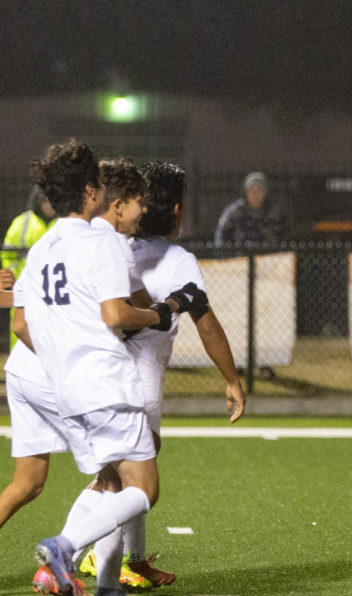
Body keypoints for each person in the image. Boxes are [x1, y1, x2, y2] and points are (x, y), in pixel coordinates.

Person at [14, 138, 208, 596]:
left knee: (114, 488)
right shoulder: (101, 240)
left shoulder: (42, 247)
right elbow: (117, 315)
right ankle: (65, 546)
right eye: (99, 181)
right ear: (89, 191)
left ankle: (107, 587)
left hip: (67, 390)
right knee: (143, 490)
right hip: (106, 382)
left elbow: (21, 321)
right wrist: (162, 314)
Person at [1, 185, 56, 348]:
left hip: (54, 291)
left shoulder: (62, 223)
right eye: (46, 201)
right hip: (24, 289)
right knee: (20, 329)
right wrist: (14, 279)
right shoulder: (21, 223)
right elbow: (8, 256)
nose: (50, 205)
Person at [213, 171, 285, 248]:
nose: (255, 194)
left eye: (259, 190)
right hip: (239, 256)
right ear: (245, 192)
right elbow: (220, 236)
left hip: (269, 257)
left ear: (265, 193)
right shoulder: (233, 212)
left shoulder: (275, 213)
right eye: (251, 190)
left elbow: (285, 238)